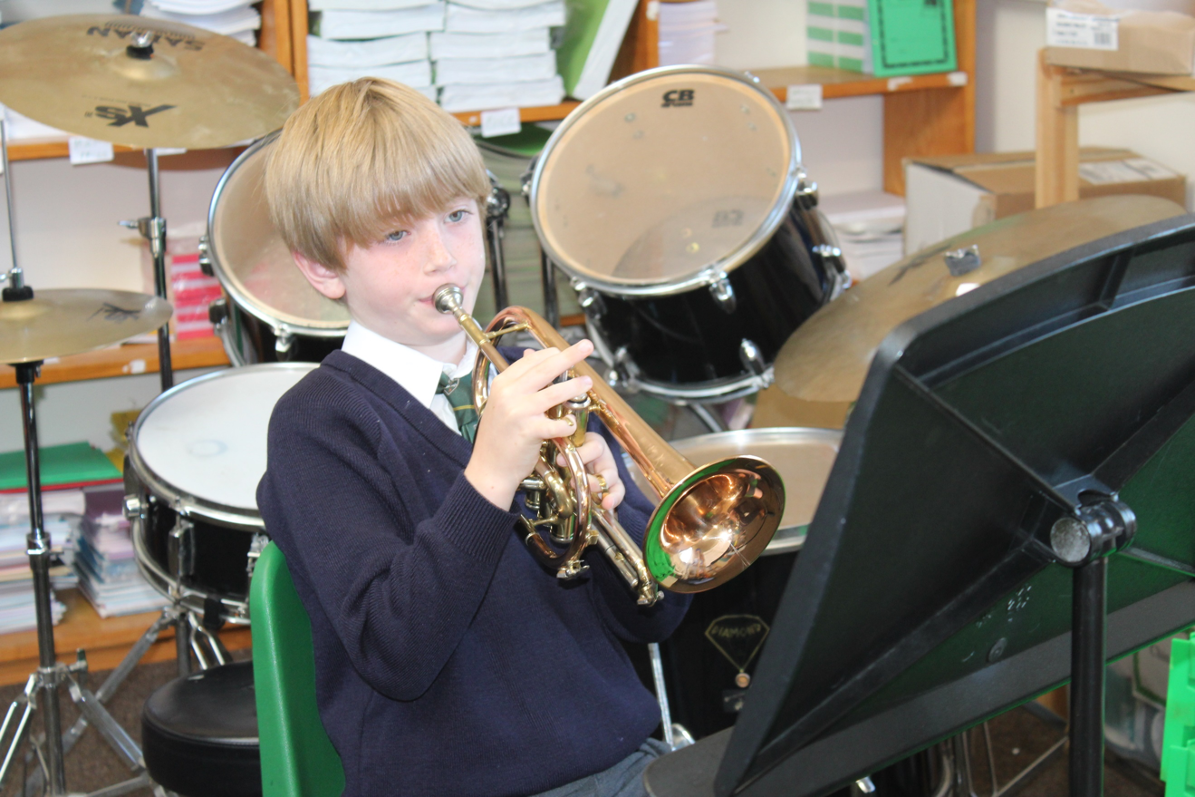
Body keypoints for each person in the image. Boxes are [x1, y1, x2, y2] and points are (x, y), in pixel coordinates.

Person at [256, 77, 691, 797]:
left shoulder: (532, 374)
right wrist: (489, 478)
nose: (442, 257)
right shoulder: (318, 427)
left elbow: (656, 619)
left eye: (457, 216)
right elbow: (395, 653)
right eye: (396, 234)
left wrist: (613, 509)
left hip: (615, 759)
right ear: (323, 268)